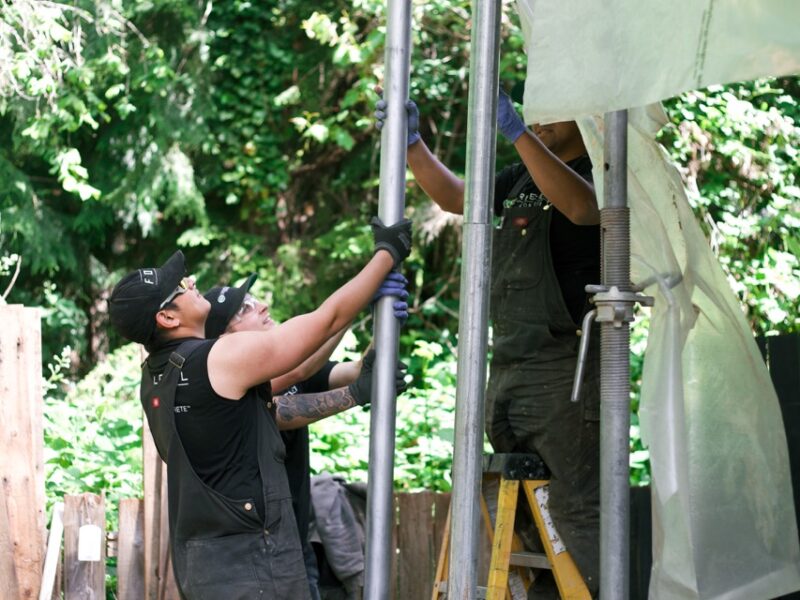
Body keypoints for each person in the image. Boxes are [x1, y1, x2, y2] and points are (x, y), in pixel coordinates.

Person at [107, 216, 412, 599]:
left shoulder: (158, 373)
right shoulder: (214, 360)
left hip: (211, 563)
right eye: (180, 287)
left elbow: (289, 387)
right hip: (250, 562)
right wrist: (387, 254)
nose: (191, 283)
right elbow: (323, 323)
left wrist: (356, 382)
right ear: (167, 317)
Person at [376, 91, 601, 597]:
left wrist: (519, 133)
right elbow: (456, 198)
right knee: (527, 523)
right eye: (532, 110)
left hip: (565, 372)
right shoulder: (520, 177)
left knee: (575, 514)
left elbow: (582, 208)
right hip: (510, 367)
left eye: (550, 109)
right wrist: (411, 144)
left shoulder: (598, 170)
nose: (539, 118)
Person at [202, 272, 409, 599]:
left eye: (253, 299)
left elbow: (352, 372)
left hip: (295, 545)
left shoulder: (291, 369)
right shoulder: (229, 387)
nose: (261, 306)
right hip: (254, 557)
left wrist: (384, 327)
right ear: (224, 338)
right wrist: (360, 298)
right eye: (243, 309)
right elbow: (301, 369)